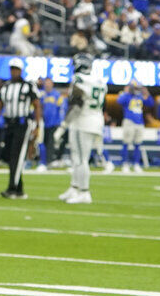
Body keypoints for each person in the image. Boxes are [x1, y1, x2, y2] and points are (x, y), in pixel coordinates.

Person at [0, 58, 42, 199]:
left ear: (21, 70)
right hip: (9, 124)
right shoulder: (5, 87)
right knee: (8, 156)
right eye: (12, 69)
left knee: (16, 156)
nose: (13, 71)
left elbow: (37, 105)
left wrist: (38, 125)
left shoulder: (28, 86)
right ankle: (19, 189)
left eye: (16, 69)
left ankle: (12, 189)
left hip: (23, 124)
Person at [59, 53, 106, 203]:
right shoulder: (100, 80)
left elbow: (77, 105)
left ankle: (84, 192)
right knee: (77, 157)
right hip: (96, 119)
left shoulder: (79, 79)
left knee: (80, 159)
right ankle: (74, 188)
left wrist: (63, 125)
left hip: (83, 121)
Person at [116, 80, 153, 172]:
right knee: (126, 143)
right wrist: (126, 92)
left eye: (138, 88)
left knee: (138, 144)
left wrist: (146, 92)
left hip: (139, 122)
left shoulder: (140, 96)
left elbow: (151, 103)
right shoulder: (127, 96)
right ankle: (125, 164)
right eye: (135, 88)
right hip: (129, 121)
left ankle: (136, 164)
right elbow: (119, 101)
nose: (137, 90)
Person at [37, 78, 65, 172]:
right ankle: (43, 161)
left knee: (50, 143)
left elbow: (61, 108)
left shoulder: (57, 95)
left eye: (49, 83)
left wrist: (60, 122)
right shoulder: (42, 94)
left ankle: (48, 162)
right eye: (46, 83)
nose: (47, 85)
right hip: (43, 123)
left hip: (54, 123)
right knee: (42, 143)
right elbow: (38, 107)